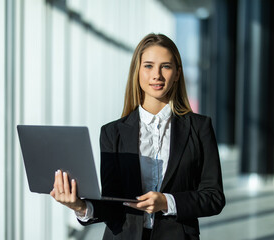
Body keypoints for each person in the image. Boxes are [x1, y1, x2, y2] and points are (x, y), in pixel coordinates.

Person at [50, 33, 225, 240]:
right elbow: (111, 203)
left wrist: (166, 202)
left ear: (177, 73)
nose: (157, 75)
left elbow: (214, 198)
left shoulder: (199, 128)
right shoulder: (112, 132)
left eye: (166, 66)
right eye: (148, 66)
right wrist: (79, 206)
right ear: (137, 71)